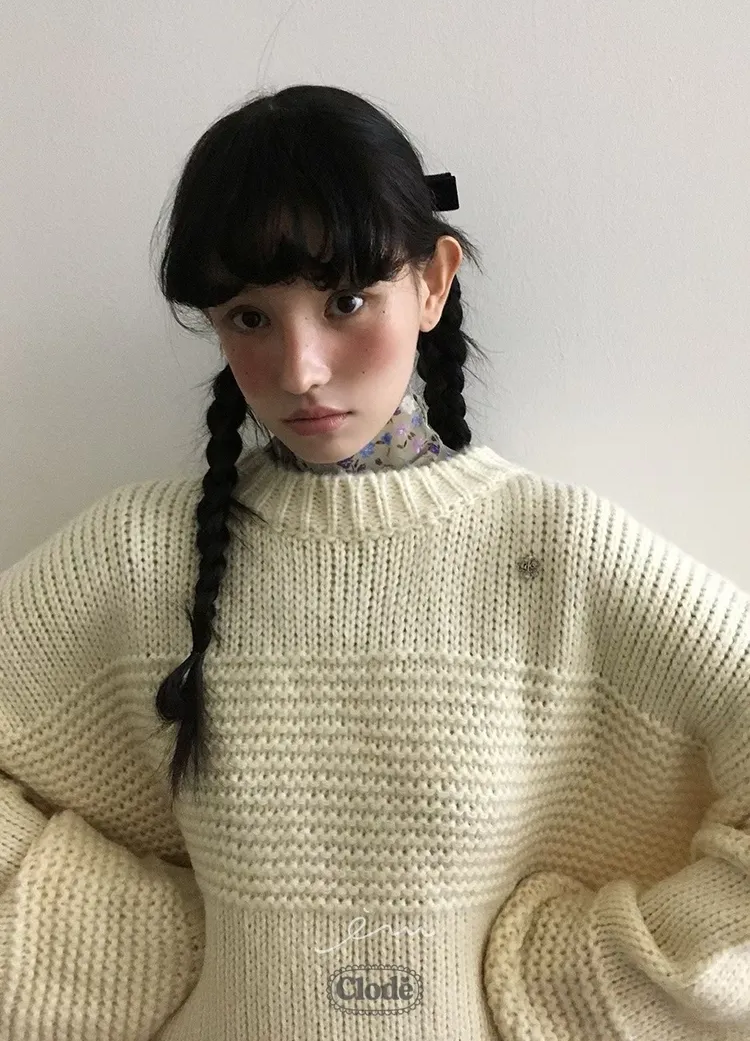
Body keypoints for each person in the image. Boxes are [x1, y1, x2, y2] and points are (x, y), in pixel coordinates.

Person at [1, 84, 749, 1041]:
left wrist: (586, 981)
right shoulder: (140, 553)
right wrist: (123, 942)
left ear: (434, 281)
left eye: (347, 300)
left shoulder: (557, 554)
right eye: (249, 316)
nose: (301, 369)